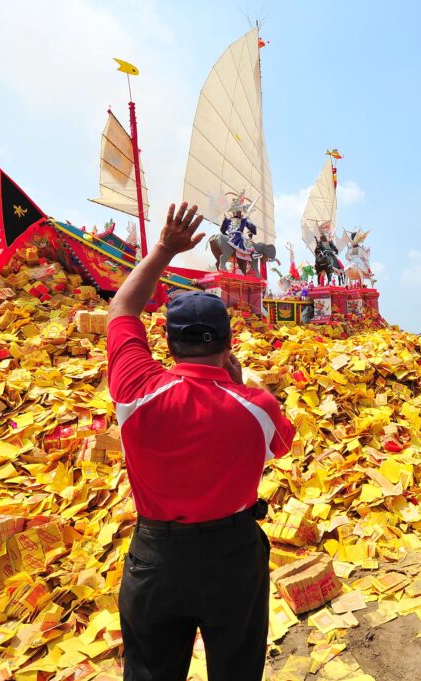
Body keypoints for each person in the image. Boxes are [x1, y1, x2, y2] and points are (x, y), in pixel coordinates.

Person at [108, 202, 296, 681]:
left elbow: (122, 308)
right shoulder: (257, 406)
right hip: (232, 556)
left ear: (167, 345)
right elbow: (283, 446)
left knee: (151, 671)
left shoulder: (137, 391)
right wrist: (237, 383)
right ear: (228, 342)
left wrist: (166, 250)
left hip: (156, 557)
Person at [220, 192, 259, 260]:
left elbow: (222, 231)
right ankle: (254, 254)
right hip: (237, 238)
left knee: (244, 239)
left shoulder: (227, 219)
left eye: (238, 210)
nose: (237, 212)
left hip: (230, 237)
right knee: (247, 242)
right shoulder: (243, 220)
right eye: (236, 210)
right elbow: (253, 230)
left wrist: (227, 235)